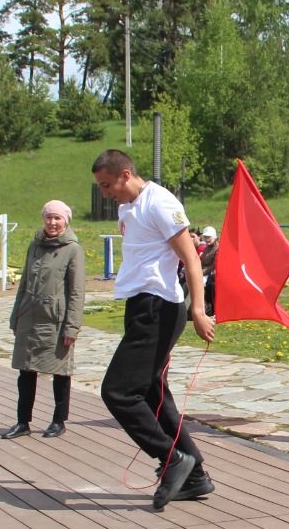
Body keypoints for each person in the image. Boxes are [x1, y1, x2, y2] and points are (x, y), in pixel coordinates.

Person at [92, 150, 216, 510]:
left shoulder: (159, 202)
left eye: (107, 185)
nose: (105, 193)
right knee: (151, 393)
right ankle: (194, 476)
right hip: (140, 304)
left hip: (159, 306)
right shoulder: (127, 207)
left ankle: (172, 458)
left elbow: (192, 258)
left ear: (126, 174)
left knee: (118, 392)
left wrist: (198, 309)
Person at [3, 200, 85, 440]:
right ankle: (22, 421)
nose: (52, 223)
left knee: (60, 371)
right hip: (30, 316)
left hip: (55, 321)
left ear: (65, 221)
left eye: (57, 218)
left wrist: (72, 326)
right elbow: (24, 284)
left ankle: (58, 420)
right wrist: (16, 315)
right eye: (49, 217)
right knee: (25, 370)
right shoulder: (34, 246)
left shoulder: (73, 249)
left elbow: (77, 292)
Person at [199, 225, 219, 317]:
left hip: (211, 273)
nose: (207, 239)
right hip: (204, 272)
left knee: (205, 284)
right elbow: (202, 262)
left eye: (209, 237)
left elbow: (213, 266)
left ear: (214, 237)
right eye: (205, 237)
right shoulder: (207, 248)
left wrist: (200, 273)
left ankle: (209, 309)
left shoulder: (217, 249)